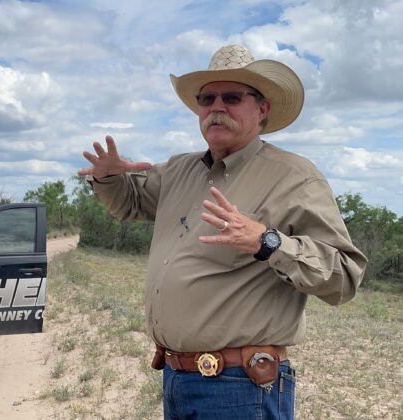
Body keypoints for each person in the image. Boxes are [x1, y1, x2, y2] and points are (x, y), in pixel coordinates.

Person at [78, 45, 367, 419]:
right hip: (176, 377)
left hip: (241, 386)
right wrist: (107, 176)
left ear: (262, 109)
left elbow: (343, 276)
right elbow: (129, 201)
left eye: (232, 97)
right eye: (206, 98)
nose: (217, 107)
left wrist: (267, 242)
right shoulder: (179, 170)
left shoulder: (293, 176)